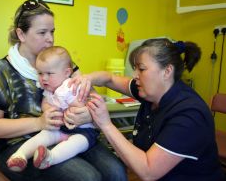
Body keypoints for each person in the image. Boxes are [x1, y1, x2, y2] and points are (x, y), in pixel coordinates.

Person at [0, 0, 127, 181]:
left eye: (52, 31)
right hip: (19, 144)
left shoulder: (61, 63)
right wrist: (39, 123)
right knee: (87, 177)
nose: (50, 38)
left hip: (72, 133)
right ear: (21, 34)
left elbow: (91, 97)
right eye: (42, 32)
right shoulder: (1, 71)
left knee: (116, 171)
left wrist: (88, 113)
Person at [70, 38, 226, 180]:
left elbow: (148, 171)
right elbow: (109, 78)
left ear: (167, 71)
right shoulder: (150, 92)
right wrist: (87, 79)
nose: (135, 75)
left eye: (141, 69)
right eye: (135, 68)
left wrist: (105, 124)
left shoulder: (189, 115)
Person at [6, 46, 99, 171]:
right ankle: (20, 155)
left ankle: (51, 158)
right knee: (43, 135)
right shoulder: (49, 87)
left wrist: (71, 111)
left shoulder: (69, 88)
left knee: (77, 143)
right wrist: (48, 109)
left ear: (66, 73)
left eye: (49, 73)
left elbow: (79, 105)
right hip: (60, 128)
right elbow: (45, 101)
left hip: (82, 130)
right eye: (40, 73)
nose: (44, 78)